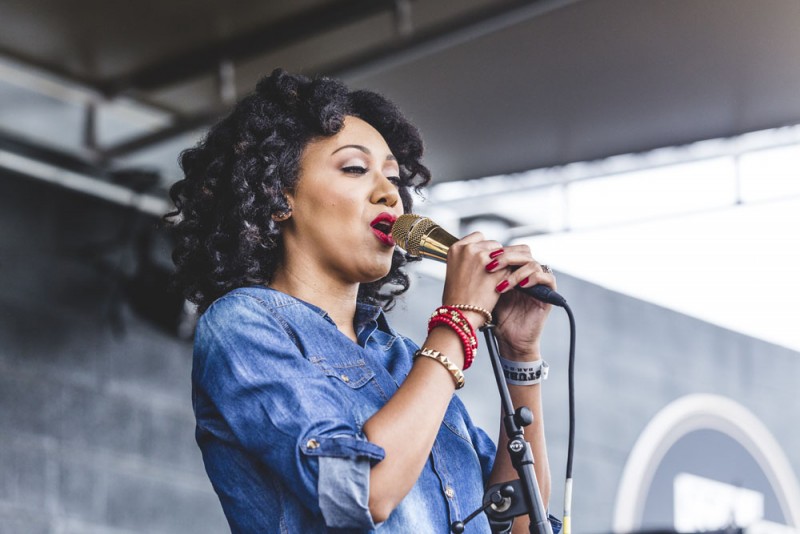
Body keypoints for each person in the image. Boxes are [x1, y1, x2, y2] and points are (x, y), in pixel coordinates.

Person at [168, 68, 561, 534]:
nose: (389, 194)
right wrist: (457, 322)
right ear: (277, 198)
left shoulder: (403, 361)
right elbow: (363, 491)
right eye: (355, 168)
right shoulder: (242, 323)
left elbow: (519, 527)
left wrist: (519, 358)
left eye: (394, 178)